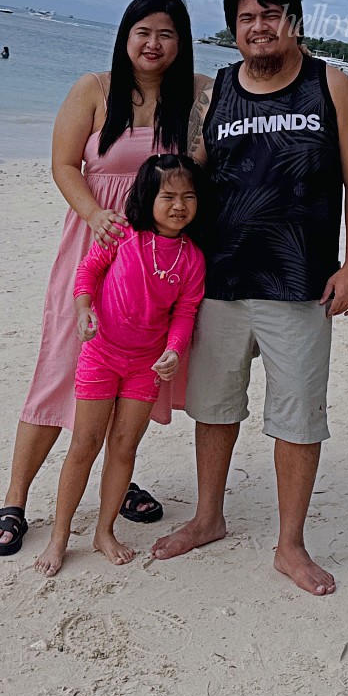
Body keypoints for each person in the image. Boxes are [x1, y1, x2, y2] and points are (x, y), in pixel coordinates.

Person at [150, 0, 348, 597]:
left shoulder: (330, 86)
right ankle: (208, 516)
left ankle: (291, 544)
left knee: (298, 415)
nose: (259, 27)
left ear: (294, 21)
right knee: (214, 408)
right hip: (218, 278)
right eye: (247, 18)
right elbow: (186, 176)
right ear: (234, 28)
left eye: (271, 16)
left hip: (301, 282)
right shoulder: (215, 94)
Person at [0, 0, 211, 558]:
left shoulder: (198, 98)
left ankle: (117, 479)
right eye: (142, 32)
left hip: (157, 263)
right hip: (95, 244)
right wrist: (93, 213)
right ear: (125, 37)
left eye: (167, 34)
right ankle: (15, 498)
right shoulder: (94, 90)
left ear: (182, 42)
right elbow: (63, 163)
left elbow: (208, 164)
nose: (153, 44)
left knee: (132, 368)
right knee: (63, 364)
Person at [33, 155, 206, 576]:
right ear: (148, 197)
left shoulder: (193, 258)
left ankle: (104, 532)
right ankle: (60, 536)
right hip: (101, 354)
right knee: (84, 444)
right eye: (168, 196)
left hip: (145, 367)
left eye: (188, 196)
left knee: (124, 447)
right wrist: (82, 310)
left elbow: (185, 313)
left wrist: (175, 351)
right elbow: (87, 273)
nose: (179, 205)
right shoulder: (122, 235)